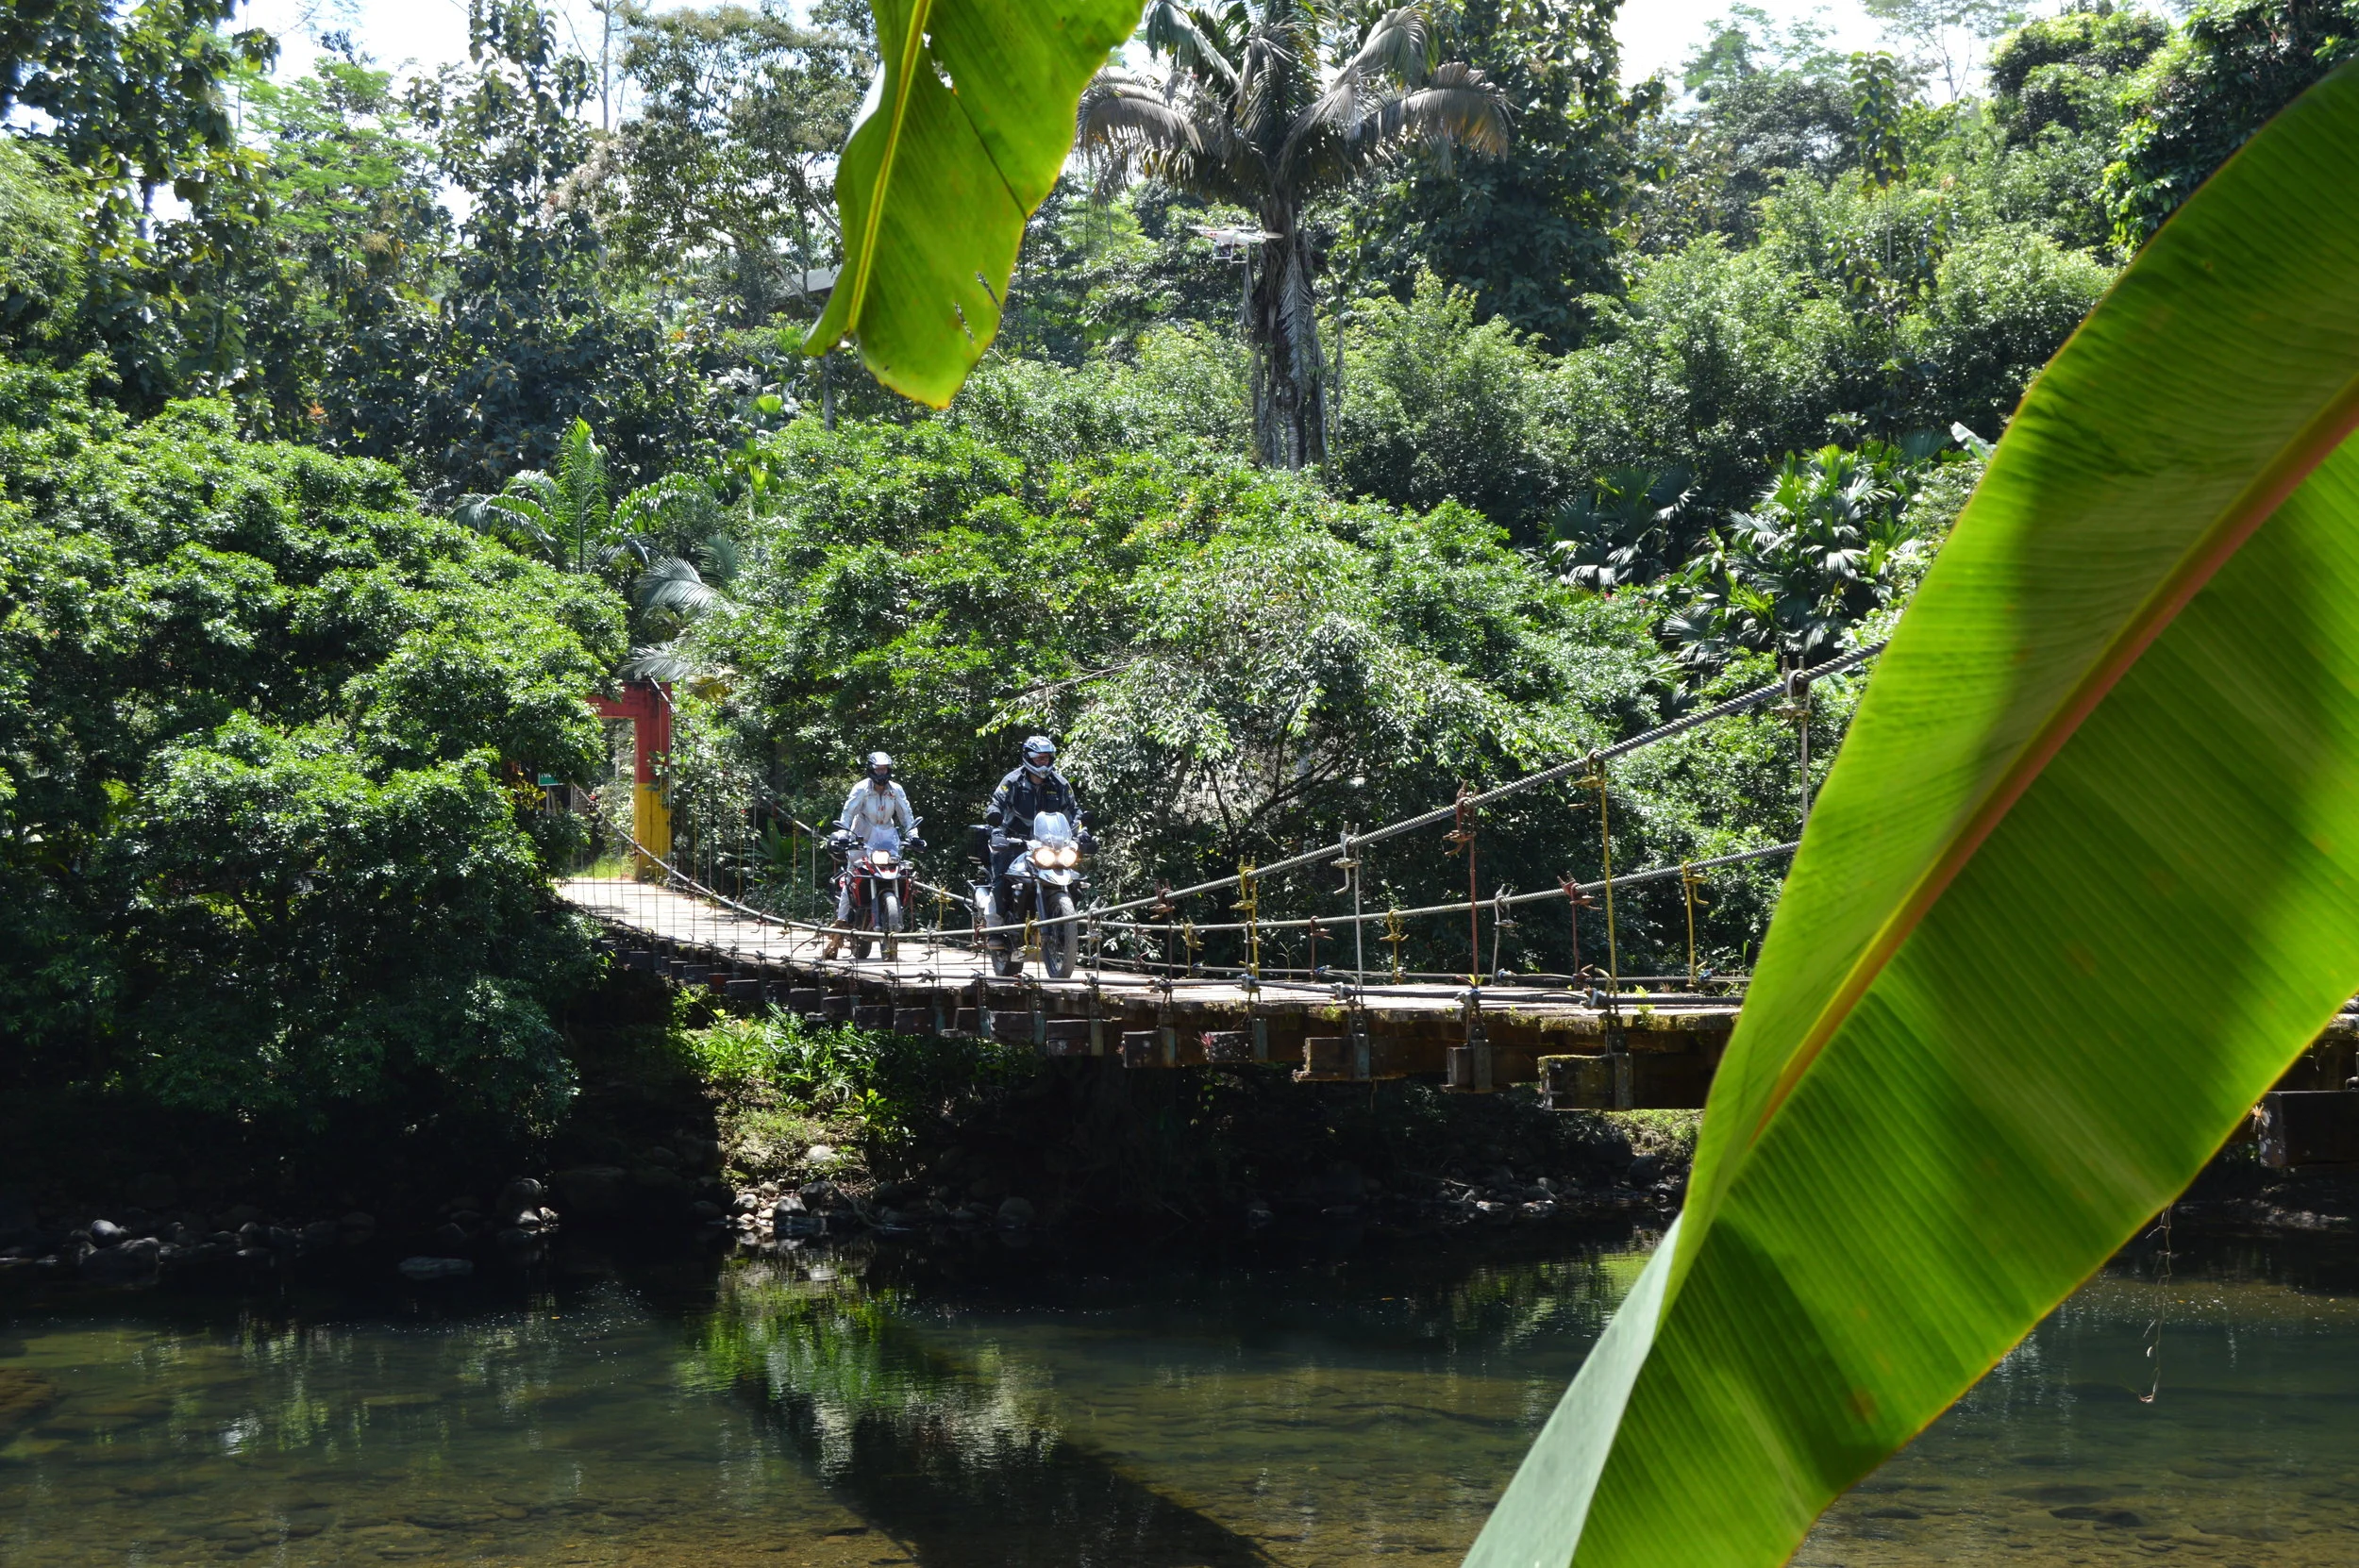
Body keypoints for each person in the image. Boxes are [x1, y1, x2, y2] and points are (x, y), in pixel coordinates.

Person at [983, 737, 1088, 928]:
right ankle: (995, 930)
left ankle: (1066, 928)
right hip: (1015, 842)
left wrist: (1083, 833)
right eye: (1039, 758)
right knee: (1001, 882)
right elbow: (996, 805)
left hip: (1051, 846)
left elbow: (1075, 813)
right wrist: (997, 830)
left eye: (1047, 758)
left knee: (1075, 881)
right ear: (1028, 758)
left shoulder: (1060, 784)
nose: (1044, 762)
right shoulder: (1013, 781)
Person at [826, 751, 916, 954]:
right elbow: (848, 813)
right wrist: (843, 834)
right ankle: (841, 921)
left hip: (888, 836)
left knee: (901, 873)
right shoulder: (861, 789)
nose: (882, 773)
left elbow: (906, 815)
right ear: (871, 770)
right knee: (852, 874)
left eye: (885, 769)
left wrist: (913, 834)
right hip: (862, 836)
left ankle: (893, 912)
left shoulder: (896, 790)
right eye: (878, 769)